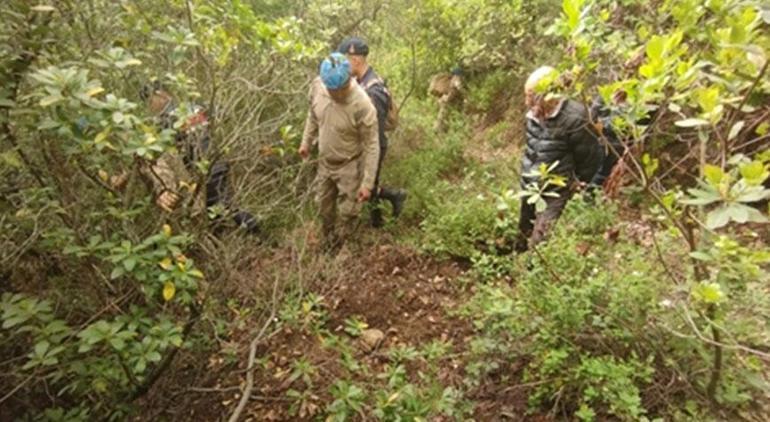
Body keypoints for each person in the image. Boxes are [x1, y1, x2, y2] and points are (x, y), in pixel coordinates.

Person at [514, 66, 620, 253]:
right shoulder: (533, 114)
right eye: (527, 96)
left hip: (556, 188)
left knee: (542, 235)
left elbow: (590, 158)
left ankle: (534, 272)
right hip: (530, 181)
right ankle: (517, 253)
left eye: (531, 96)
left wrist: (575, 181)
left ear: (548, 95)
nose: (526, 102)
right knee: (525, 224)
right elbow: (532, 146)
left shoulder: (576, 118)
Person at [137, 81, 259, 233]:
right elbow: (221, 114)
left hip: (205, 166)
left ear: (160, 94)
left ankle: (258, 233)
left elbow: (155, 151)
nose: (150, 107)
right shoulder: (193, 106)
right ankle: (239, 240)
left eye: (149, 101)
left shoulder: (165, 120)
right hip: (215, 162)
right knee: (216, 210)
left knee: (223, 207)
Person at [298, 53, 380, 252]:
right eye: (331, 89)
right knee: (323, 208)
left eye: (338, 89)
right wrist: (306, 142)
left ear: (348, 81)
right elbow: (313, 115)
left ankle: (346, 250)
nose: (334, 94)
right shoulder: (318, 86)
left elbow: (372, 145)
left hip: (350, 165)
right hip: (325, 163)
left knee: (348, 212)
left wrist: (367, 183)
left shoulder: (362, 105)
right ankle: (328, 243)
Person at [337, 37, 407, 228]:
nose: (342, 66)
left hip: (373, 145)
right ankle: (377, 222)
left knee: (367, 185)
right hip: (367, 144)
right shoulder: (360, 81)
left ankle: (394, 196)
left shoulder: (373, 90)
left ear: (355, 60)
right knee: (369, 183)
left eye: (344, 61)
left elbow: (374, 128)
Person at [429, 66, 463, 133]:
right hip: (448, 99)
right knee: (444, 115)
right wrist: (465, 95)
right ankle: (437, 129)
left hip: (445, 99)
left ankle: (441, 129)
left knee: (443, 114)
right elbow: (459, 88)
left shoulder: (451, 79)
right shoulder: (456, 79)